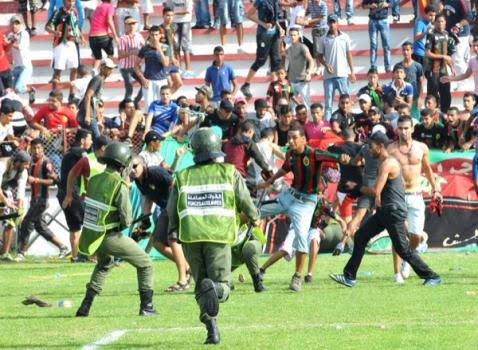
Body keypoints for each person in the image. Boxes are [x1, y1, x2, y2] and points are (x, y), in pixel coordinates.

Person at [167, 127, 259, 344]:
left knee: (201, 286)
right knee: (222, 286)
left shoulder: (182, 176)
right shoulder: (229, 172)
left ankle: (212, 330)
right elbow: (245, 199)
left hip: (190, 237)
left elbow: (171, 210)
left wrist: (174, 229)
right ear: (216, 148)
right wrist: (255, 217)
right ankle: (215, 288)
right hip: (218, 236)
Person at [330, 130, 441, 287]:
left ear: (380, 146)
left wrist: (357, 186)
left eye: (371, 146)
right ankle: (349, 277)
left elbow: (375, 191)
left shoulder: (388, 164)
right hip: (386, 210)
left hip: (393, 211)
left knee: (403, 249)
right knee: (361, 236)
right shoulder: (385, 162)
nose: (368, 149)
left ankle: (432, 276)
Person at [76, 141, 157, 317]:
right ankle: (147, 307)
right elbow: (127, 219)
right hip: (110, 236)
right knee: (146, 264)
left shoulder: (95, 180)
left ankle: (85, 306)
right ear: (123, 164)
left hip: (93, 237)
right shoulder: (119, 184)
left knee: (104, 265)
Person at [259, 125, 340, 291]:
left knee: (304, 239)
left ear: (303, 139)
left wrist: (345, 159)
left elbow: (334, 156)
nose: (290, 141)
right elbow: (285, 168)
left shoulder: (314, 153)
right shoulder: (290, 154)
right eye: (289, 137)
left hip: (305, 204)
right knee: (256, 211)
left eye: (294, 137)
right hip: (289, 196)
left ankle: (297, 277)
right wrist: (269, 182)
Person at [388, 115, 442, 283]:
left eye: (406, 128)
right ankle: (397, 273)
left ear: (412, 128)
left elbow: (427, 168)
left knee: (416, 236)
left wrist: (435, 188)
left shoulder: (421, 148)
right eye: (400, 128)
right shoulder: (390, 149)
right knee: (397, 236)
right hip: (397, 195)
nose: (403, 131)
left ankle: (407, 260)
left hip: (416, 194)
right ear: (397, 129)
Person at [16, 139, 69, 260]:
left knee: (26, 223)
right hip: (34, 199)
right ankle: (63, 247)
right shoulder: (31, 162)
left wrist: (36, 180)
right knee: (40, 227)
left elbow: (53, 180)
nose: (36, 151)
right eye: (34, 148)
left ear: (43, 149)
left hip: (41, 199)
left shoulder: (45, 162)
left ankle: (21, 252)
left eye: (39, 148)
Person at [57, 129, 93, 262]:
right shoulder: (81, 152)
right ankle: (88, 255)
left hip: (63, 193)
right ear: (83, 140)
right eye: (90, 139)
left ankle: (75, 256)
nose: (91, 142)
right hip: (73, 194)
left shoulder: (69, 153)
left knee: (74, 226)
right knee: (90, 223)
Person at [240, 0, 283, 99]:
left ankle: (275, 86)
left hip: (274, 33)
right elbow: (248, 14)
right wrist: (262, 24)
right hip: (263, 34)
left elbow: (274, 17)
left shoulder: (275, 1)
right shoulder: (260, 1)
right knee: (261, 60)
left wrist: (279, 27)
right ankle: (246, 84)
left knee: (276, 60)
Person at [317, 14, 356, 121]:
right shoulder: (323, 39)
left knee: (346, 102)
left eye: (334, 22)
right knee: (328, 103)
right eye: (330, 22)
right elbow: (319, 56)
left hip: (343, 74)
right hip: (329, 76)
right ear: (328, 23)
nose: (332, 24)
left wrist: (352, 71)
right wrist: (326, 64)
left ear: (337, 23)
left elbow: (349, 55)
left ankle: (348, 123)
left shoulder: (345, 37)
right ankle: (327, 126)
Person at [45, 0, 85, 100]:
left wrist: (81, 36)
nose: (71, 3)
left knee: (74, 68)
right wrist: (55, 32)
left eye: (72, 1)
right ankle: (55, 95)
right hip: (61, 43)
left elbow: (75, 27)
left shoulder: (74, 12)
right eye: (69, 1)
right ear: (63, 2)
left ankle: (72, 95)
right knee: (58, 70)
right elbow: (47, 27)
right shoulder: (58, 12)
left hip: (72, 42)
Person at [77, 59, 117, 141]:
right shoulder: (98, 79)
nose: (111, 71)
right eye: (108, 68)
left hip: (91, 115)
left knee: (91, 140)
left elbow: (96, 101)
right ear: (102, 68)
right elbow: (88, 96)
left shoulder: (101, 80)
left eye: (111, 69)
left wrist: (99, 120)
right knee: (98, 139)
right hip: (88, 115)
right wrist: (88, 116)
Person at [0, 151, 29, 261]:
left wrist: (20, 210)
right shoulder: (2, 165)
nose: (27, 166)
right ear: (17, 162)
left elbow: (20, 193)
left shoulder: (23, 171)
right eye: (25, 163)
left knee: (11, 220)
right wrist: (6, 202)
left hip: (5, 190)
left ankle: (5, 253)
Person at [134, 26, 171, 114]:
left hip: (162, 80)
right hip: (148, 80)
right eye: (152, 35)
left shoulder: (165, 47)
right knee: (148, 105)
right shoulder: (145, 48)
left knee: (162, 105)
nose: (154, 37)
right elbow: (135, 66)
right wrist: (142, 79)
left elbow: (166, 64)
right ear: (149, 35)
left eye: (156, 35)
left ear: (160, 35)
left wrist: (160, 50)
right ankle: (149, 126)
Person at [425, 13, 456, 113]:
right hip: (433, 71)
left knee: (446, 95)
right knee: (432, 96)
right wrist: (443, 56)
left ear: (445, 22)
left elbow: (447, 54)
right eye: (438, 21)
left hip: (444, 71)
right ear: (434, 23)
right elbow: (427, 53)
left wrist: (452, 68)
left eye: (442, 21)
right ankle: (431, 116)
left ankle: (445, 116)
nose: (440, 23)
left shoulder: (447, 34)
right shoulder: (431, 34)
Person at [281, 27, 314, 109]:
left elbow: (311, 61)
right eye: (291, 35)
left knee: (306, 103)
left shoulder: (303, 47)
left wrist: (309, 73)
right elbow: (281, 52)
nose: (292, 37)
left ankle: (308, 121)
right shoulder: (289, 49)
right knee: (290, 103)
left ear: (298, 36)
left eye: (294, 35)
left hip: (302, 82)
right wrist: (281, 39)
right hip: (291, 83)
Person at [89, 0, 119, 73]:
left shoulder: (98, 7)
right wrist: (116, 36)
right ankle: (107, 70)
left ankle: (95, 69)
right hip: (102, 36)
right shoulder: (110, 6)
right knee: (110, 54)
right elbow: (109, 21)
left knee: (98, 58)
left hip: (92, 37)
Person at [397, 42, 424, 121]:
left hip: (414, 99)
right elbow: (394, 82)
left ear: (412, 51)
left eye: (407, 50)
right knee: (402, 121)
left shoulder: (417, 66)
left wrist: (420, 98)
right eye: (404, 50)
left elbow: (421, 82)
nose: (405, 52)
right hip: (401, 99)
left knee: (414, 121)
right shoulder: (398, 66)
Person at [6, 16, 33, 97]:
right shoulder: (10, 35)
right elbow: (7, 50)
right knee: (11, 90)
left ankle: (31, 90)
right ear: (10, 25)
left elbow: (21, 47)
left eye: (16, 23)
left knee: (18, 88)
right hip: (16, 66)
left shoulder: (24, 33)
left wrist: (11, 42)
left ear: (20, 24)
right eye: (13, 24)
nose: (14, 26)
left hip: (25, 66)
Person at [363, 0, 392, 72]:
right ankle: (373, 66)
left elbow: (393, 3)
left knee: (386, 45)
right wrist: (370, 6)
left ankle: (387, 66)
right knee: (373, 45)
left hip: (383, 20)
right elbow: (363, 5)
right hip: (373, 20)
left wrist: (387, 4)